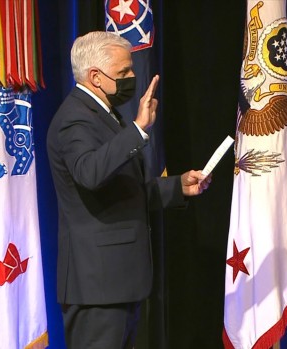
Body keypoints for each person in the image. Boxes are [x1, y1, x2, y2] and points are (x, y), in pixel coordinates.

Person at [46, 31, 211, 349]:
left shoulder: (104, 115)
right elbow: (90, 173)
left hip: (118, 283)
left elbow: (122, 191)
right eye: (123, 73)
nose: (132, 78)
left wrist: (178, 188)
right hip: (98, 287)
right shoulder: (74, 120)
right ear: (95, 76)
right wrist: (138, 129)